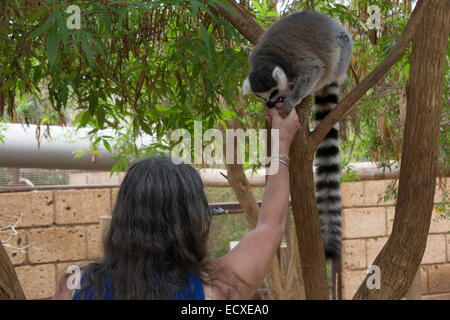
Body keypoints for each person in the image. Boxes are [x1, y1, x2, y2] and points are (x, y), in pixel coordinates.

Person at [53, 104, 300, 299]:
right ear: (191, 220)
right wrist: (282, 141)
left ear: (124, 218)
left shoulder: (75, 287)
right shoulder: (217, 288)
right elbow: (271, 226)